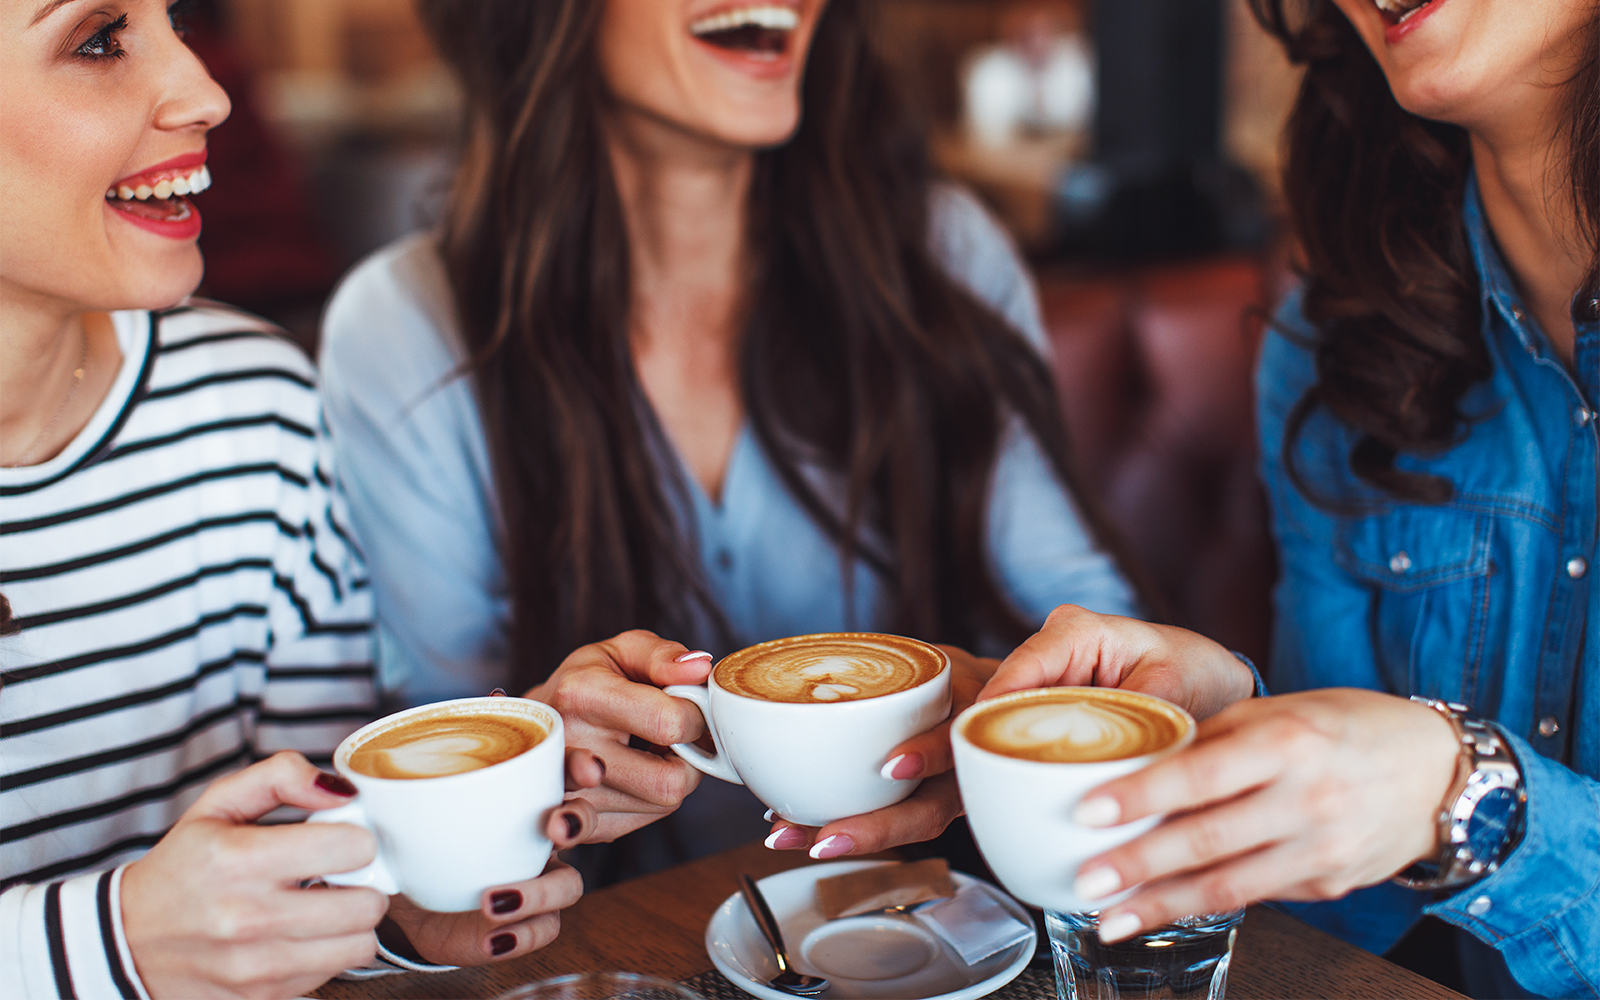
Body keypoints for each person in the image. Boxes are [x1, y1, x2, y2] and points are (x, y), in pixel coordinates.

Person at [319, 0, 1139, 881]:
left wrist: (1019, 695)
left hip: (929, 928)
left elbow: (1095, 627)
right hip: (604, 951)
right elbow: (437, 752)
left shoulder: (942, 257)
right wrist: (543, 733)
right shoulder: (403, 328)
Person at [0, 2, 640, 994]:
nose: (207, 91)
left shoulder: (249, 402)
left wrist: (411, 884)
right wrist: (112, 942)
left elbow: (305, 845)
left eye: (171, 19)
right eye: (98, 39)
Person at [975, 0, 1599, 997]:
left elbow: (1435, 799)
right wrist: (1231, 718)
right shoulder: (1338, 337)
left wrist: (1471, 799)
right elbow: (1346, 911)